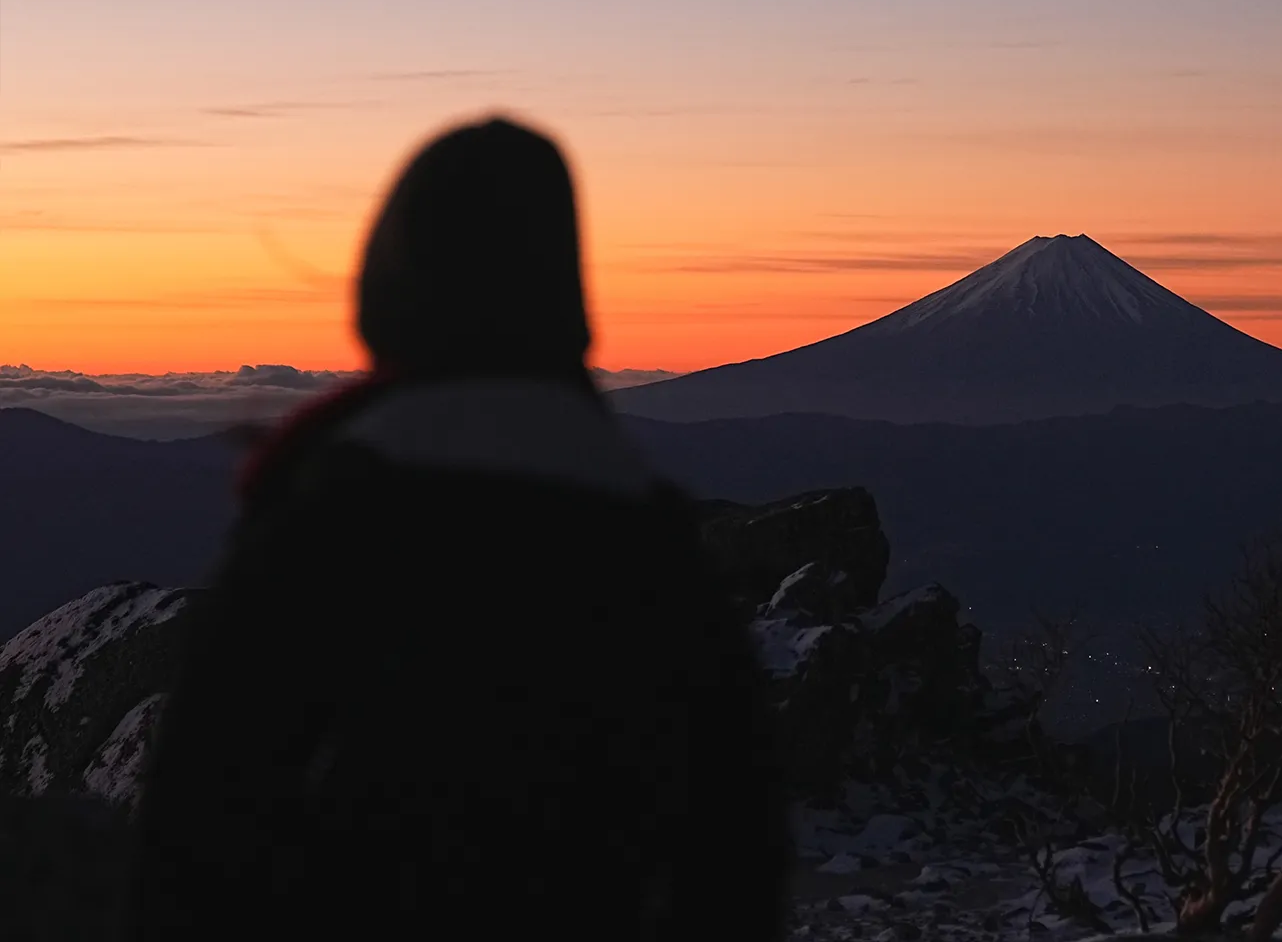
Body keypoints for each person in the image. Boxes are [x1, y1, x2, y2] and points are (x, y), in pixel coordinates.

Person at [126, 117, 789, 938]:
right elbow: (734, 840)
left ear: (392, 283)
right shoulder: (646, 533)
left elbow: (205, 797)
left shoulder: (337, 510)